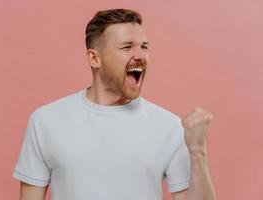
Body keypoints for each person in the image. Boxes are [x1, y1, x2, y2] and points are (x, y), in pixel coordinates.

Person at [13, 8, 215, 200]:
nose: (140, 55)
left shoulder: (170, 127)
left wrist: (198, 151)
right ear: (94, 58)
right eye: (127, 47)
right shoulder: (46, 121)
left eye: (144, 47)